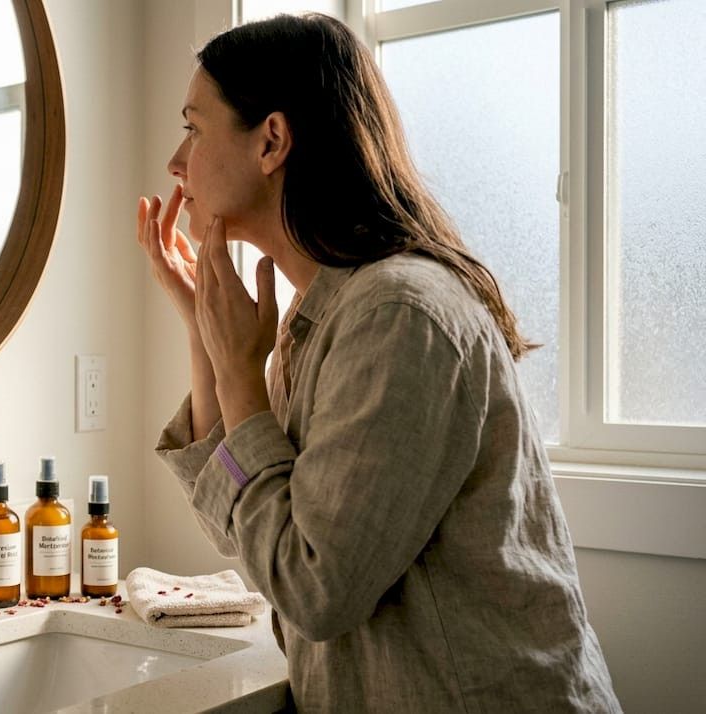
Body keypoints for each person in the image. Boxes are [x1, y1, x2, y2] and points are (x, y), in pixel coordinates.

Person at [137, 13, 620, 713]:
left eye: (193, 127)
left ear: (271, 140)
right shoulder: (323, 319)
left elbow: (313, 590)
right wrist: (204, 333)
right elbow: (241, 525)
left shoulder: (397, 316)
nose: (176, 163)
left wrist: (242, 376)